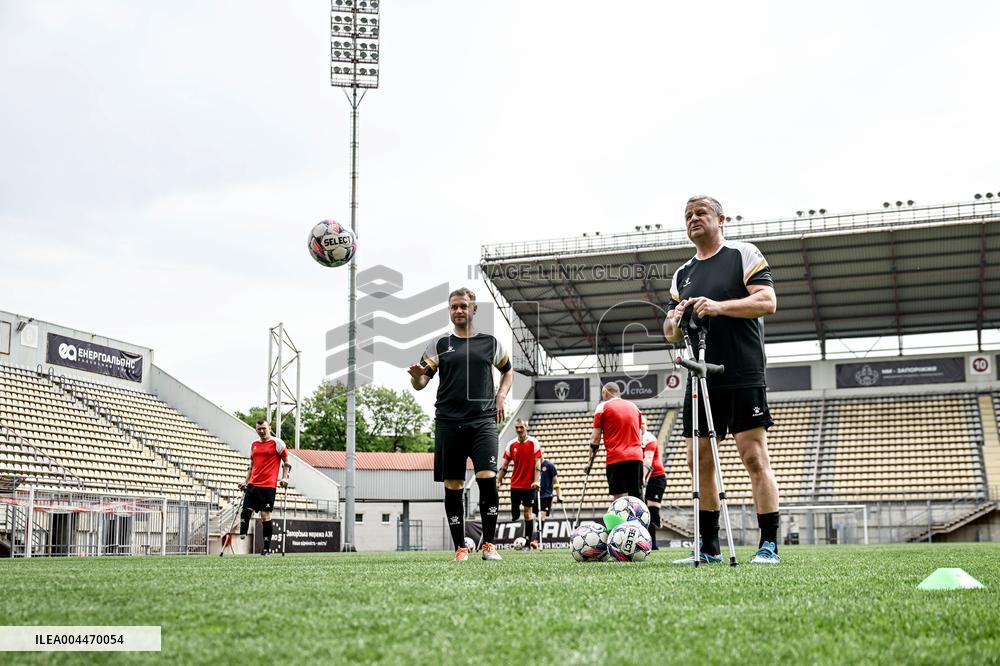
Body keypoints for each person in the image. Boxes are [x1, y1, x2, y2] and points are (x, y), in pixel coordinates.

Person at [663, 195, 780, 565]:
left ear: (721, 219)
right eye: (688, 216)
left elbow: (767, 301)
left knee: (753, 456)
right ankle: (709, 547)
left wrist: (719, 307)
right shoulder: (682, 274)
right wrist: (676, 317)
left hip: (742, 371)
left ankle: (769, 545)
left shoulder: (742, 254)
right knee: (699, 461)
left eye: (701, 213)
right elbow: (670, 333)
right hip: (699, 377)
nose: (693, 219)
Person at [408, 287, 512, 562]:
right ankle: (460, 548)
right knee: (453, 485)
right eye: (454, 307)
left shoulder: (490, 342)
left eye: (464, 306)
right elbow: (421, 384)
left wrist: (501, 395)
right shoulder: (439, 344)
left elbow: (508, 370)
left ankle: (489, 545)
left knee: (488, 479)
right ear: (450, 310)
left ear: (473, 309)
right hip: (448, 423)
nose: (458, 311)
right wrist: (417, 376)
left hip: (483, 421)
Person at [238, 419, 290, 556]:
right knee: (245, 510)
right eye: (259, 429)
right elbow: (251, 464)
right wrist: (245, 481)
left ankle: (266, 549)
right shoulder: (254, 445)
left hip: (268, 486)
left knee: (265, 515)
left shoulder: (277, 443)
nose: (261, 431)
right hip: (253, 484)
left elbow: (286, 462)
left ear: (269, 428)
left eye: (264, 428)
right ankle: (242, 531)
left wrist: (284, 477)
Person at [590, 382, 644, 500]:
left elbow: (595, 438)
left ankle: (621, 518)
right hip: (636, 457)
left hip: (616, 457)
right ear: (618, 393)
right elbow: (641, 430)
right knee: (636, 496)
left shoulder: (602, 406)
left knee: (619, 497)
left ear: (605, 392)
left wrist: (589, 463)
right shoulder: (634, 406)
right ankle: (638, 518)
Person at [496, 418, 541, 549]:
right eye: (517, 427)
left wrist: (536, 480)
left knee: (527, 513)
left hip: (529, 486)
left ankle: (527, 542)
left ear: (526, 427)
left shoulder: (534, 442)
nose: (519, 430)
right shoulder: (511, 444)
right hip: (515, 484)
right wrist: (498, 480)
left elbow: (538, 463)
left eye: (521, 427)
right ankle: (519, 533)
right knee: (515, 514)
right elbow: (505, 465)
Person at [641, 416, 666, 550]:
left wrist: (643, 479)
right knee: (646, 513)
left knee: (652, 513)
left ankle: (657, 521)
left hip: (656, 478)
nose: (641, 425)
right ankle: (652, 544)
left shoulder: (649, 439)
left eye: (643, 423)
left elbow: (648, 460)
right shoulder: (637, 439)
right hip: (646, 479)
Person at [538, 457, 562, 525]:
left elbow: (556, 481)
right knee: (533, 515)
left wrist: (559, 495)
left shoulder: (550, 465)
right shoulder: (533, 465)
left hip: (546, 495)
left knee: (542, 515)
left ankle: (538, 535)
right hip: (535, 494)